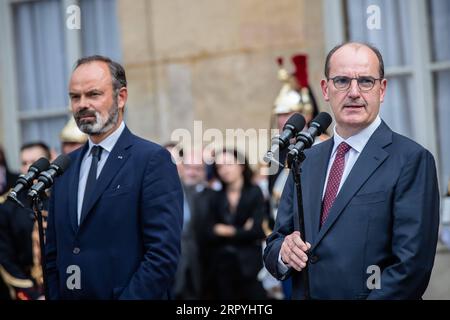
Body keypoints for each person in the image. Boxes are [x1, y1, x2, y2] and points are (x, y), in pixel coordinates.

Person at [263, 42, 440, 299]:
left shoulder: (411, 160)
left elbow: (410, 268)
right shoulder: (305, 160)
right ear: (326, 89)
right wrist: (283, 252)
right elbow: (275, 242)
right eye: (342, 81)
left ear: (382, 89)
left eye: (366, 81)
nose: (354, 92)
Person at [45, 55, 183, 300]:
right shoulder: (64, 167)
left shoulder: (151, 160)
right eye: (75, 97)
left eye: (93, 94)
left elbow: (162, 255)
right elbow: (55, 254)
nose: (82, 104)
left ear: (121, 97)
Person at [203, 148, 267, 300]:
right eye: (219, 167)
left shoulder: (254, 192)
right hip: (221, 266)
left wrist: (225, 231)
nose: (224, 170)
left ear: (241, 165)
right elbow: (209, 231)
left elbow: (257, 231)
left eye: (228, 164)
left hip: (249, 266)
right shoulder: (215, 197)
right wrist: (241, 230)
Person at [0, 142, 51, 300]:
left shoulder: (63, 198)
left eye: (35, 162)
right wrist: (33, 294)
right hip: (29, 289)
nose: (30, 168)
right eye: (24, 163)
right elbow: (5, 257)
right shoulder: (8, 206)